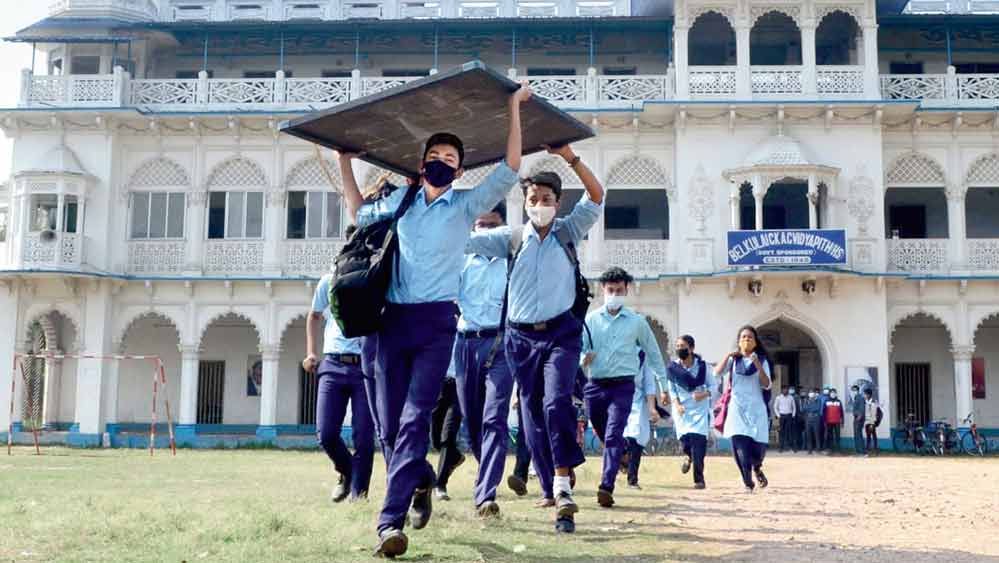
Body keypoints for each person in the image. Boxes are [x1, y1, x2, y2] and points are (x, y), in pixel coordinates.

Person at [340, 85, 531, 557]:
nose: (441, 160)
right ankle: (423, 479)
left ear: (460, 169)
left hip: (437, 325)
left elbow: (510, 169)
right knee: (390, 427)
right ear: (421, 161)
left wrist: (511, 109)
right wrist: (344, 162)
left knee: (412, 421)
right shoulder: (401, 204)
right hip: (392, 325)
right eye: (434, 154)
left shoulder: (466, 205)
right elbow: (357, 212)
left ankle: (389, 523)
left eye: (450, 156)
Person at [466, 143, 605, 534]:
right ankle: (551, 482)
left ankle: (562, 488)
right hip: (519, 339)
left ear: (557, 204)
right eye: (533, 198)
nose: (539, 204)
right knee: (531, 418)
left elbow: (596, 196)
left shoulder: (568, 232)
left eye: (546, 199)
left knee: (557, 402)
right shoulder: (509, 239)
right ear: (524, 202)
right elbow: (463, 238)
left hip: (562, 333)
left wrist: (571, 157)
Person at [580, 267, 667, 508]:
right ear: (603, 291)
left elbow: (654, 353)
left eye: (619, 290)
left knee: (613, 433)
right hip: (595, 385)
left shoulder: (637, 322)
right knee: (602, 431)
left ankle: (606, 486)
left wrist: (663, 385)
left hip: (623, 386)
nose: (615, 294)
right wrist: (583, 359)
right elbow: (579, 347)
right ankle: (623, 452)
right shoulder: (590, 320)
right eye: (611, 290)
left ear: (626, 290)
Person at [453, 204, 514, 517]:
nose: (485, 232)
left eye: (492, 226)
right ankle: (484, 471)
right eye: (480, 225)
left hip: (502, 344)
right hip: (465, 344)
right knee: (472, 420)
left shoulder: (512, 262)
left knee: (494, 417)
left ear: (503, 228)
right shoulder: (462, 260)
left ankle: (486, 494)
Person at [303, 264, 375, 504]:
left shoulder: (376, 278)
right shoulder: (330, 279)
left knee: (364, 436)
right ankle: (347, 472)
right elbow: (314, 315)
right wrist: (311, 352)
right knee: (326, 433)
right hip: (333, 362)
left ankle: (359, 495)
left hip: (365, 364)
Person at [715, 325, 773, 493]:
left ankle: (757, 467)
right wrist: (727, 355)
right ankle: (747, 481)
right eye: (743, 337)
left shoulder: (761, 360)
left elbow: (767, 384)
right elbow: (716, 374)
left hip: (756, 409)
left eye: (750, 338)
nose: (746, 340)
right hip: (737, 408)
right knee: (739, 445)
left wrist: (757, 364)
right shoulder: (734, 360)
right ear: (738, 342)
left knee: (757, 447)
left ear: (755, 342)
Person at [667, 335, 713, 489]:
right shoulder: (673, 368)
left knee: (699, 444)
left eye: (683, 346)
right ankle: (687, 455)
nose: (680, 349)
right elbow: (672, 390)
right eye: (678, 346)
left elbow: (713, 387)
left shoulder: (703, 367)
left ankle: (699, 480)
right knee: (686, 441)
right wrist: (677, 404)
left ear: (692, 349)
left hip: (700, 409)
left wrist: (704, 394)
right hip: (682, 410)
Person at [431, 348, 465, 501]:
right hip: (439, 383)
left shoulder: (467, 327)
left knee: (448, 434)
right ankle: (456, 456)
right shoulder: (440, 326)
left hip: (460, 384)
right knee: (436, 439)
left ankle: (440, 485)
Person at [623, 353, 660, 490]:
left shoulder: (643, 357)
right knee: (618, 439)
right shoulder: (615, 350)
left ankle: (632, 479)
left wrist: (652, 408)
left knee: (635, 439)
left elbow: (649, 385)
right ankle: (620, 462)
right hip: (616, 400)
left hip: (637, 403)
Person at [773, 386, 797, 453]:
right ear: (781, 390)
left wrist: (793, 415)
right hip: (782, 416)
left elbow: (794, 407)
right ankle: (781, 447)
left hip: (789, 416)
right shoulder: (778, 398)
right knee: (781, 432)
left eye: (786, 389)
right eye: (783, 390)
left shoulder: (791, 397)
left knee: (790, 432)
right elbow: (775, 407)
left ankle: (791, 447)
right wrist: (778, 415)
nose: (785, 391)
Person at [802, 389, 823, 454]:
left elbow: (817, 408)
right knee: (808, 435)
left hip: (816, 419)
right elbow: (804, 408)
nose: (811, 394)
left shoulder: (818, 400)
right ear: (808, 394)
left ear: (814, 394)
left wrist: (809, 407)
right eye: (810, 392)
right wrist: (810, 407)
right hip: (808, 419)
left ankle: (818, 448)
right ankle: (809, 449)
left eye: (812, 392)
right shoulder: (806, 400)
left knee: (816, 434)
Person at [849, 384, 866, 455]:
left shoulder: (860, 398)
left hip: (859, 419)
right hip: (856, 418)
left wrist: (859, 417)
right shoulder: (856, 398)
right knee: (856, 435)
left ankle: (862, 452)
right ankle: (858, 452)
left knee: (858, 435)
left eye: (854, 390)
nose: (853, 392)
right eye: (852, 391)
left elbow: (862, 409)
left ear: (857, 391)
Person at [863, 388, 879, 456]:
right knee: (868, 436)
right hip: (866, 421)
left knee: (873, 435)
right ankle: (868, 450)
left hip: (871, 421)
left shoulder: (873, 402)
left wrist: (872, 424)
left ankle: (875, 450)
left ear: (869, 394)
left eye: (865, 394)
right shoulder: (865, 401)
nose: (864, 395)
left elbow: (874, 413)